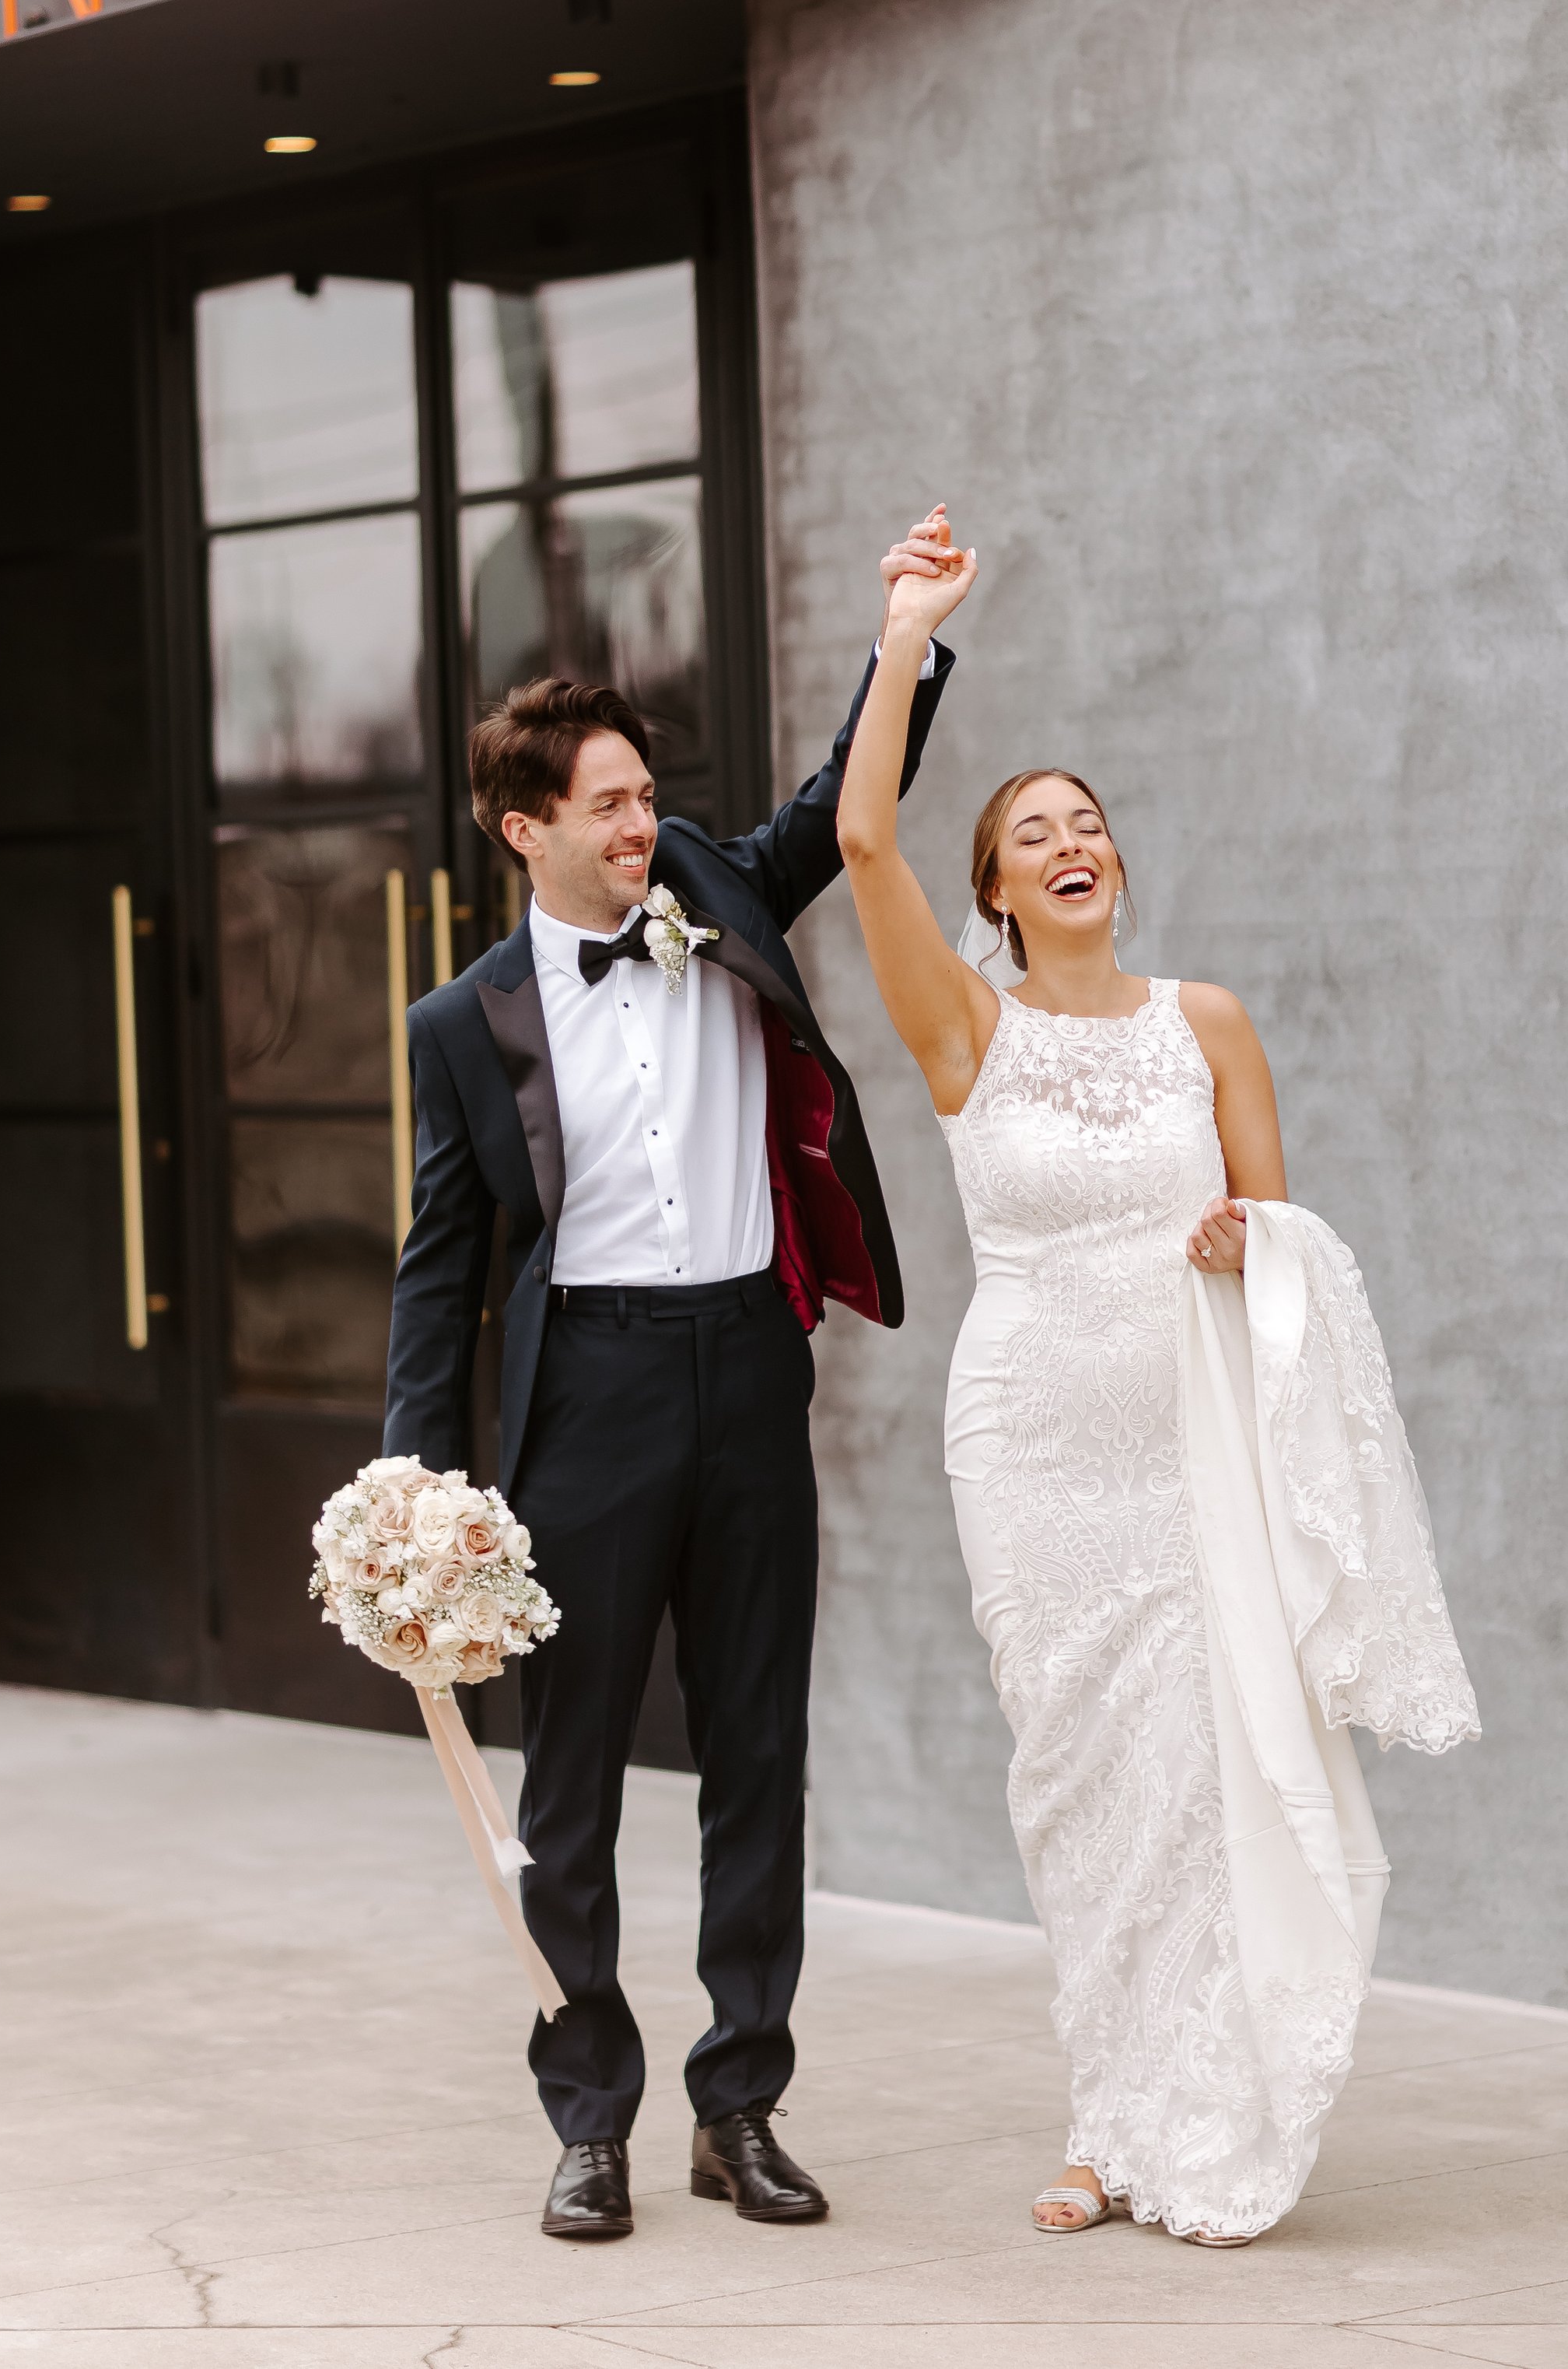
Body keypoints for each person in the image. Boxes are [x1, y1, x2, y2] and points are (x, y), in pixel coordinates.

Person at [836, 513, 1479, 2246]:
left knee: (1201, 1783)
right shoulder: (966, 1031)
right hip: (1031, 1448)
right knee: (1078, 1784)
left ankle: (1191, 2103)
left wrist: (1244, 1242)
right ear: (993, 891)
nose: (1071, 843)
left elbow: (1282, 1237)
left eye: (1088, 823)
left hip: (1192, 1450)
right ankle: (1100, 2120)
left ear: (1117, 862)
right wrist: (906, 634)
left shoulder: (1208, 1021)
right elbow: (861, 833)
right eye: (1032, 833)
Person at [382, 514, 956, 2244]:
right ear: (525, 828)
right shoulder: (464, 1023)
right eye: (611, 805)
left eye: (647, 795)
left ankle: (741, 2105)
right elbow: (442, 1268)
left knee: (757, 1751)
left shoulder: (712, 885)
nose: (644, 824)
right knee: (569, 1782)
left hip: (748, 1372)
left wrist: (907, 636)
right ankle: (589, 2118)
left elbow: (843, 803)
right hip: (592, 1399)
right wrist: (414, 1486)